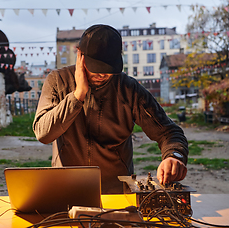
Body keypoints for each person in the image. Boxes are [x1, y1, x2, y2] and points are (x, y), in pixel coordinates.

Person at [32, 24, 188, 194]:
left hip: (117, 193)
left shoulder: (129, 89)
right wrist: (77, 95)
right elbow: (43, 133)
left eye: (108, 68)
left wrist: (174, 156)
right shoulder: (57, 81)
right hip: (67, 190)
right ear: (79, 55)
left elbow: (169, 132)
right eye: (96, 67)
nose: (102, 74)